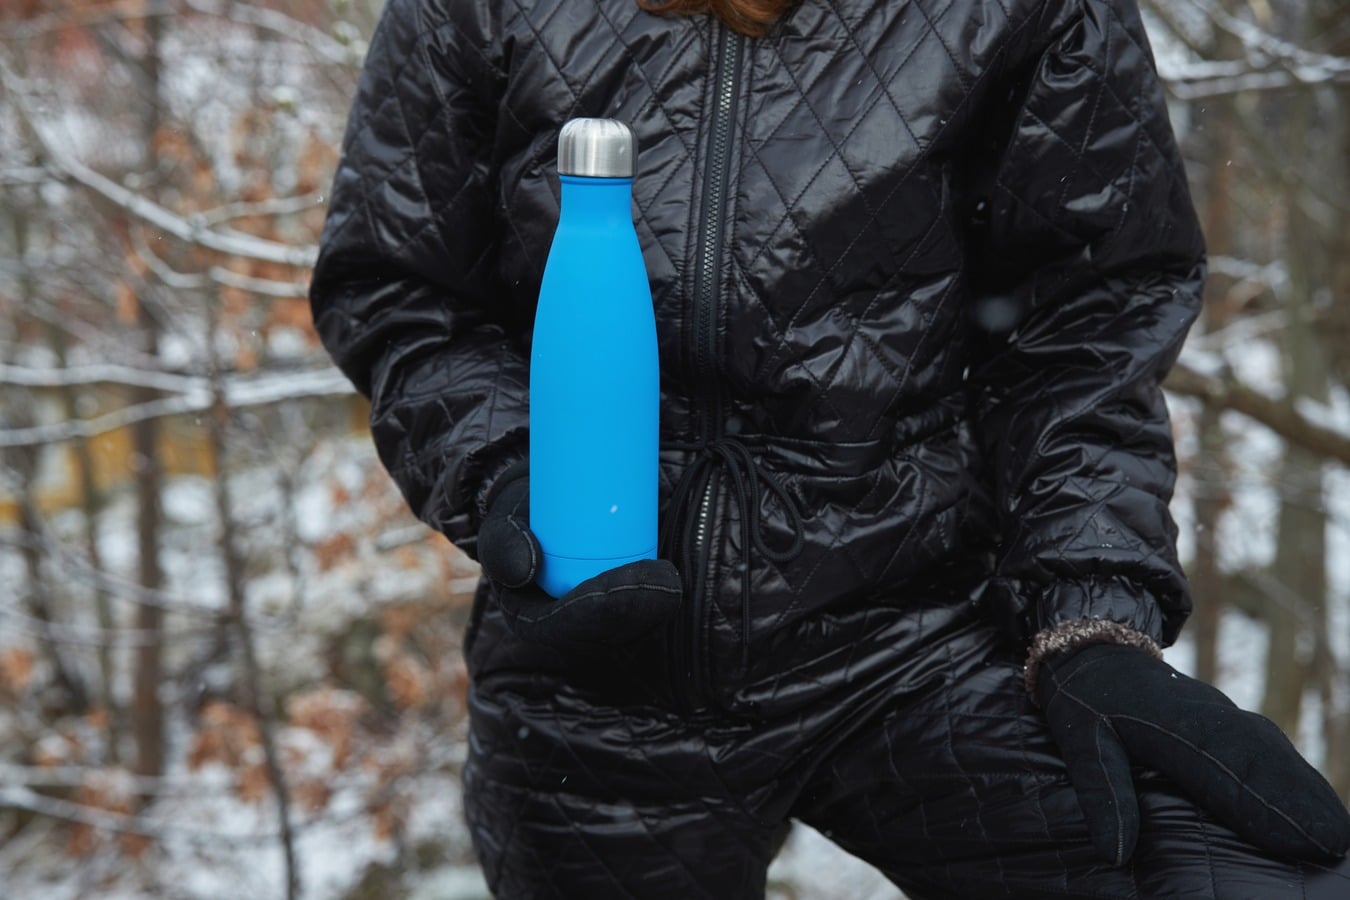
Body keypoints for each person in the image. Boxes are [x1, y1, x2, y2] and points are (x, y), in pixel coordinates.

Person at [309, 0, 1350, 895]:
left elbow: (1087, 316)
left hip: (911, 639)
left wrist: (1090, 613)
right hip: (589, 670)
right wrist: (510, 477)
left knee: (1265, 872)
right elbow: (399, 287)